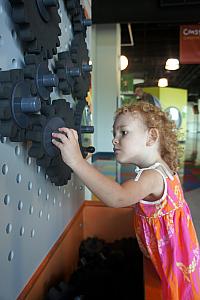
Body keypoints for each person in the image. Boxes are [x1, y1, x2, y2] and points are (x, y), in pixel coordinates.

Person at [52, 101, 200, 299]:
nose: (115, 140)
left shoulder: (153, 176)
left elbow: (118, 197)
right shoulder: (161, 169)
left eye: (123, 132)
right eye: (114, 133)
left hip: (175, 264)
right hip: (172, 255)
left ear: (152, 136)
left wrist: (77, 161)